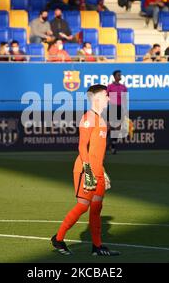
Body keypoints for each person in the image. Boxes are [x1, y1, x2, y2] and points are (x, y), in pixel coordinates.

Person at [51, 84, 120, 257]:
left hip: (97, 169)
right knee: (83, 206)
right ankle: (58, 239)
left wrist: (102, 170)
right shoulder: (88, 117)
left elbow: (98, 150)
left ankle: (97, 247)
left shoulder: (101, 119)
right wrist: (88, 170)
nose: (108, 98)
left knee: (97, 207)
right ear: (96, 98)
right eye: (106, 95)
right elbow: (82, 146)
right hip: (85, 169)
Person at [107, 70, 128, 154]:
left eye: (120, 75)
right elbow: (106, 97)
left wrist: (125, 110)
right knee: (110, 127)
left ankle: (112, 146)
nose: (120, 76)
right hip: (112, 107)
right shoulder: (110, 86)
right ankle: (105, 144)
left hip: (120, 108)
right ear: (114, 76)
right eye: (118, 75)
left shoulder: (124, 87)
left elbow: (125, 99)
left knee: (118, 128)